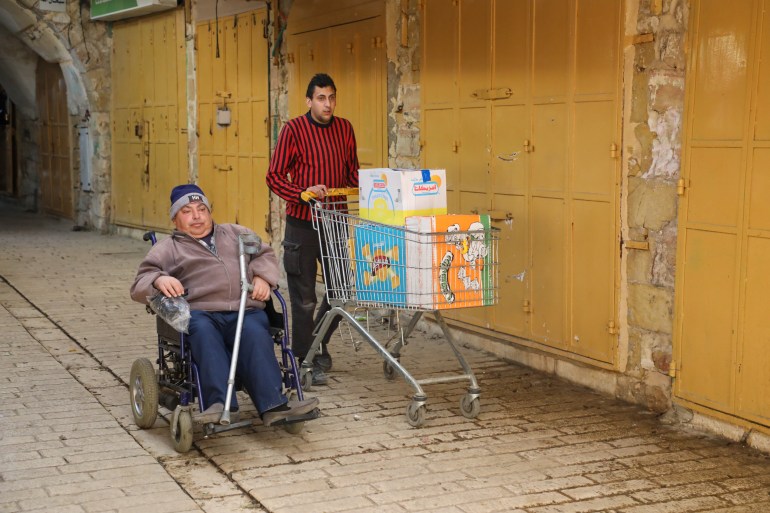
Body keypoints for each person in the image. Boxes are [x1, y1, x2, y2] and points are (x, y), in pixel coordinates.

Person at [130, 184, 318, 425]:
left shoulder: (234, 233)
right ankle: (220, 405)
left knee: (255, 331)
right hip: (201, 313)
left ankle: (274, 404)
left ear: (209, 212)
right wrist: (159, 279)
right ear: (175, 219)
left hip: (244, 309)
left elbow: (264, 254)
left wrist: (262, 277)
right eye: (187, 211)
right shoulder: (168, 247)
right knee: (204, 334)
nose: (197, 216)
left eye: (201, 209)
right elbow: (139, 284)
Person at [266, 73, 359, 385]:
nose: (328, 103)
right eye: (321, 98)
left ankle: (317, 346)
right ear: (309, 101)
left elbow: (353, 174)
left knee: (340, 292)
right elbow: (274, 176)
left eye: (331, 97)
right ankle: (302, 361)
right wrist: (302, 193)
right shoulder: (293, 130)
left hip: (335, 224)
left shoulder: (345, 128)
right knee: (304, 300)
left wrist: (382, 185)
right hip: (302, 227)